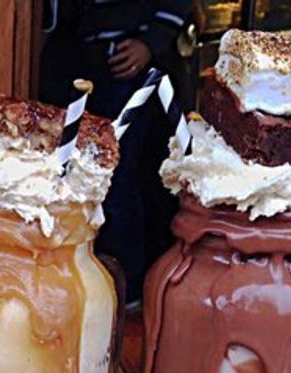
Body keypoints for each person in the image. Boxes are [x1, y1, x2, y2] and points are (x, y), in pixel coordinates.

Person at [40, 0, 191, 303]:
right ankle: (82, 283)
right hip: (75, 63)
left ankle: (124, 288)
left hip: (126, 69)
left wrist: (151, 41)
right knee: (69, 176)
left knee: (118, 181)